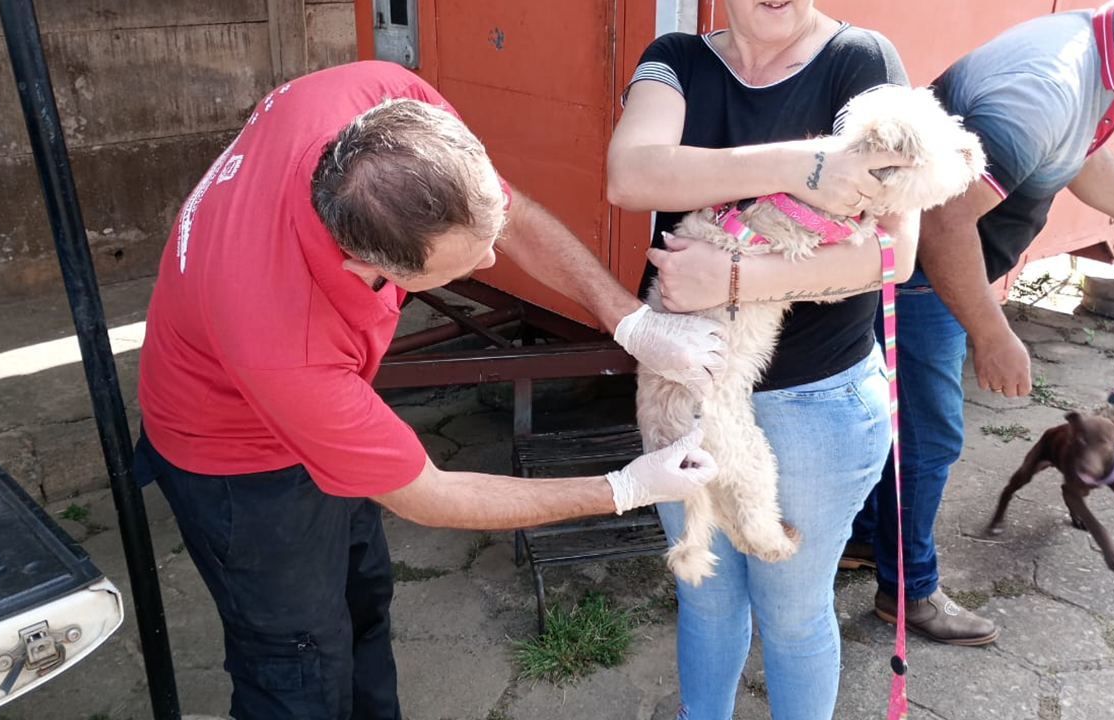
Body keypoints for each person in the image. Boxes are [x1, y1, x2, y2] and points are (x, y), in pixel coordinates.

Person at [132, 60, 729, 720]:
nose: (492, 262)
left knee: (363, 599)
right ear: (369, 269)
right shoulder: (284, 339)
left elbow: (513, 218)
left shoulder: (375, 100)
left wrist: (632, 321)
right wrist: (627, 487)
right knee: (297, 659)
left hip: (290, 378)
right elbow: (431, 494)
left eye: (486, 238)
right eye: (464, 266)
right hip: (234, 456)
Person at [844, 1, 1114, 646]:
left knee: (894, 421)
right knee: (929, 439)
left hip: (917, 264)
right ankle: (909, 593)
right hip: (918, 273)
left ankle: (867, 540)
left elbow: (1076, 157)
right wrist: (994, 334)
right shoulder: (1045, 87)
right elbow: (944, 222)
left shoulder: (1094, 53)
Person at [606, 2, 921, 718]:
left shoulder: (861, 61)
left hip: (814, 399)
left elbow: (895, 252)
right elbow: (629, 176)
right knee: (706, 597)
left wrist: (736, 280)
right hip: (686, 390)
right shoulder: (677, 59)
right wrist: (804, 164)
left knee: (792, 612)